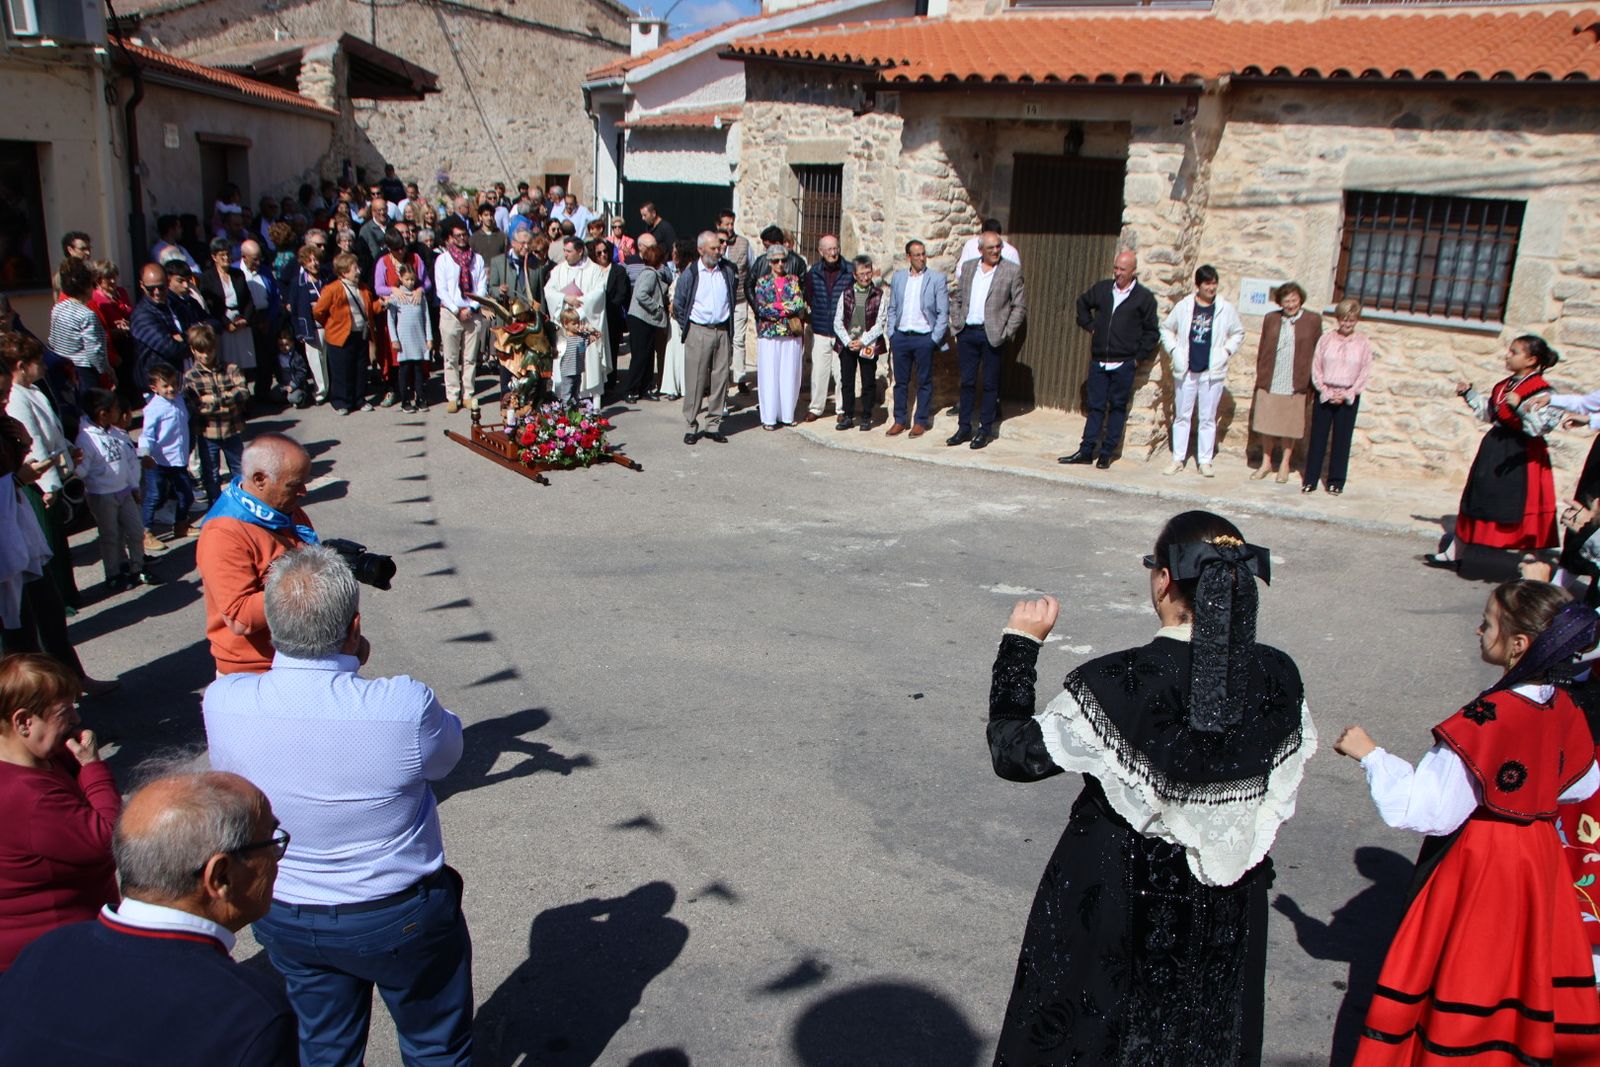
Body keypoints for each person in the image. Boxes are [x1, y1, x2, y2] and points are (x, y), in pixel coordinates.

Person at [985, 510, 1314, 1063]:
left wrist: (1020, 645)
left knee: (1098, 1039)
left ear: (1163, 580)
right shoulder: (1278, 673)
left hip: (1116, 896)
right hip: (1227, 903)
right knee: (1201, 1034)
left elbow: (1015, 755)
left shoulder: (1118, 680)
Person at [204, 545, 472, 1067]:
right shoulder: (402, 704)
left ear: (273, 625)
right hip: (396, 911)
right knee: (435, 1044)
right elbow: (447, 755)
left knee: (324, 1048)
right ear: (354, 626)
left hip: (285, 907)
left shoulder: (224, 699)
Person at [1333, 581, 1600, 1065]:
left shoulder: (1487, 717)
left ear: (1518, 645)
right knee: (1524, 974)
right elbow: (1581, 784)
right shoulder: (1564, 705)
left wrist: (1369, 754)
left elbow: (1426, 810)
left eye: (1489, 621)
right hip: (1538, 861)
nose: (1479, 629)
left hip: (1484, 862)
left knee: (1470, 969)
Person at [0, 769, 297, 1064]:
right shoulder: (250, 1016)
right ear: (220, 876)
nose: (275, 857)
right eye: (270, 842)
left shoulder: (46, 950)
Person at [0, 349, 114, 693]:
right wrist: (18, 477)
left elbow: (24, 442)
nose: (5, 400)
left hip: (17, 529)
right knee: (18, 632)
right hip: (7, 541)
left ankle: (68, 682)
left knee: (47, 610)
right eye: (0, 394)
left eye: (5, 393)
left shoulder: (6, 419)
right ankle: (37, 705)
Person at [0, 652, 118, 973]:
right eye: (65, 711)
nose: (76, 721)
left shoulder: (41, 760)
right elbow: (109, 837)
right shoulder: (27, 797)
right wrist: (92, 767)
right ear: (24, 721)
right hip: (56, 953)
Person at [1426, 335, 1562, 569]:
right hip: (1496, 448)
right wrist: (1470, 395)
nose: (1507, 356)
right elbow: (1491, 413)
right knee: (1478, 497)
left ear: (1531, 359)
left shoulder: (1543, 391)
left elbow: (1541, 426)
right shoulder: (1505, 385)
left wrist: (1519, 407)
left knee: (1522, 507)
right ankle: (1455, 552)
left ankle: (1531, 566)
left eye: (1514, 352)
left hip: (1523, 454)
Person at [195, 433, 314, 675]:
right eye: (294, 484)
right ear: (260, 479)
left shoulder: (285, 511)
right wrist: (312, 582)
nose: (303, 491)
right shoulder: (224, 533)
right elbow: (240, 617)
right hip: (257, 671)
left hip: (300, 657)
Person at [1060, 250, 1160, 468]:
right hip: (1099, 361)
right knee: (1095, 406)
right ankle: (1086, 450)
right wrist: (1090, 326)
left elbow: (1152, 332)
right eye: (1116, 268)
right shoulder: (1103, 289)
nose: (1117, 273)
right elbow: (1082, 303)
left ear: (1133, 271)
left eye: (1122, 270)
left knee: (1117, 407)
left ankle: (1107, 452)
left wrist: (1138, 358)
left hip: (1124, 362)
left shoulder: (1143, 298)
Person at [1160, 264, 1245, 478]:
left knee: (1207, 417)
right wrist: (1173, 350)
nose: (1212, 287)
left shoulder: (1225, 308)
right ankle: (1178, 458)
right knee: (1182, 415)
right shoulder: (1185, 306)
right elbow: (1167, 328)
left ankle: (1205, 460)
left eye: (1214, 283)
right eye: (1207, 283)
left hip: (1211, 371)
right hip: (1186, 369)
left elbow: (1238, 333)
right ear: (1198, 285)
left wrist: (1225, 351)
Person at [948, 231, 1025, 451]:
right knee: (967, 382)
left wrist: (1006, 332)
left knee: (991, 384)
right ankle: (964, 427)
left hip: (992, 334)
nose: (996, 251)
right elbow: (958, 298)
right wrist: (956, 325)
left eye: (998, 247)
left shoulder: (1011, 270)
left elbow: (1019, 306)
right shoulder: (970, 267)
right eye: (991, 248)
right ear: (981, 249)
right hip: (967, 333)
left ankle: (985, 430)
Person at [1298, 299, 1375, 497]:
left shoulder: (1363, 343)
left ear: (1356, 320)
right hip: (1326, 393)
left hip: (1348, 395)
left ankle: (1336, 481)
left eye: (1351, 321)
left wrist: (1348, 393)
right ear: (1338, 319)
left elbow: (1364, 371)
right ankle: (1310, 479)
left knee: (1342, 439)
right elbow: (1316, 367)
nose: (1346, 324)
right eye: (1343, 320)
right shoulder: (1326, 339)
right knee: (1318, 438)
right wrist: (1325, 390)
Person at [74, 390, 149, 590]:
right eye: (115, 409)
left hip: (124, 490)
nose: (119, 412)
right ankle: (113, 573)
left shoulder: (117, 433)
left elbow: (129, 460)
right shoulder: (86, 439)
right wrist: (74, 465)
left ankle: (137, 567)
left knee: (135, 530)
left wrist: (134, 485)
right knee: (110, 536)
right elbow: (81, 470)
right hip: (102, 495)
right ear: (102, 414)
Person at [1249, 282, 1321, 484]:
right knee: (1267, 422)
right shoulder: (1271, 318)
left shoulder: (1312, 320)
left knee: (1290, 425)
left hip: (1296, 379)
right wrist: (1261, 373)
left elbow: (1317, 350)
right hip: (1272, 376)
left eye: (1294, 300)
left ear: (1301, 299)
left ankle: (1285, 464)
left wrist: (1311, 381)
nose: (1290, 304)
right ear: (1280, 302)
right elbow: (1263, 347)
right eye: (1286, 300)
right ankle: (1266, 462)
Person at [672, 231, 738, 446]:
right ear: (701, 250)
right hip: (698, 330)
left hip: (722, 330)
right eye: (713, 248)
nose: (718, 252)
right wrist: (689, 329)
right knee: (696, 380)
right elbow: (679, 305)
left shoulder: (727, 270)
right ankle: (691, 424)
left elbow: (732, 296)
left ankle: (713, 425)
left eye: (719, 248)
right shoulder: (690, 274)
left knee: (720, 379)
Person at [885, 239, 948, 438]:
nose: (921, 258)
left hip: (924, 338)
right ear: (908, 257)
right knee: (901, 382)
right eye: (917, 255)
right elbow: (893, 307)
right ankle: (899, 420)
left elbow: (943, 312)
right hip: (901, 337)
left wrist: (933, 339)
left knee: (924, 381)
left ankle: (920, 421)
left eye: (923, 254)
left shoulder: (936, 279)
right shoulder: (899, 278)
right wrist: (892, 334)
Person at [182, 324, 250, 505]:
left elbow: (243, 392)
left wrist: (212, 399)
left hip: (232, 429)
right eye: (200, 351)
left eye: (209, 350)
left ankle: (242, 503)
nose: (205, 355)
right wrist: (228, 399)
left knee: (239, 469)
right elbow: (196, 407)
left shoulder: (231, 368)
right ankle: (217, 505)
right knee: (211, 473)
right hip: (207, 433)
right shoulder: (190, 377)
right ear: (193, 350)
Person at [543, 236, 607, 411]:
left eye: (569, 251)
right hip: (565, 328)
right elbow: (549, 291)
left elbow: (598, 294)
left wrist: (577, 312)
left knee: (588, 366)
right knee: (565, 368)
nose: (565, 255)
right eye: (564, 250)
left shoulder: (594, 270)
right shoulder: (559, 270)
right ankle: (563, 404)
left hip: (585, 323)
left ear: (580, 251)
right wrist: (565, 298)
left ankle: (592, 406)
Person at [313, 252, 380, 416]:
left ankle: (359, 399)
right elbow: (318, 311)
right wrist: (330, 325)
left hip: (361, 334)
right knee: (341, 370)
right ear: (343, 272)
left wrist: (382, 304)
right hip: (339, 336)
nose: (358, 271)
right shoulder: (332, 289)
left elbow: (370, 309)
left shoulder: (363, 288)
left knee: (359, 368)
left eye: (357, 267)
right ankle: (341, 402)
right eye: (354, 268)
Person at [137, 362, 195, 542]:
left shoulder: (180, 400)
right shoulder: (154, 409)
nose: (171, 389)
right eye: (166, 386)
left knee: (186, 495)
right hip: (158, 461)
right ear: (155, 388)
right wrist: (145, 454)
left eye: (174, 384)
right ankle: (145, 531)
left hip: (177, 460)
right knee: (155, 495)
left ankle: (180, 524)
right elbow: (147, 433)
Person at [434, 220, 487, 414]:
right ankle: (452, 396)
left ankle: (468, 394)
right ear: (450, 238)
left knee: (470, 357)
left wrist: (472, 307)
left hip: (472, 312)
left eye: (464, 235)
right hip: (451, 313)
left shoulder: (477, 259)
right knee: (450, 357)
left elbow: (481, 287)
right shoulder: (443, 260)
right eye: (457, 236)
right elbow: (442, 290)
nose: (462, 239)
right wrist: (457, 309)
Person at [752, 244, 807, 430]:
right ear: (769, 262)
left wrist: (777, 306)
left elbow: (799, 303)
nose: (780, 264)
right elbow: (762, 308)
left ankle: (787, 414)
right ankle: (769, 417)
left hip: (791, 334)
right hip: (769, 334)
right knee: (770, 375)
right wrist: (784, 307)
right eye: (776, 261)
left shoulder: (793, 280)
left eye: (783, 260)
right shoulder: (762, 282)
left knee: (789, 374)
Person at [832, 254, 888, 432]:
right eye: (861, 274)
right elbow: (838, 321)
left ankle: (866, 415)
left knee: (868, 381)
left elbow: (880, 323)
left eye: (868, 273)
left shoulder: (879, 295)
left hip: (868, 344)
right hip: (848, 344)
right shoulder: (846, 293)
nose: (865, 277)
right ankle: (848, 415)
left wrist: (863, 341)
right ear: (855, 275)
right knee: (846, 380)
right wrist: (849, 341)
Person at [802, 235, 849, 424]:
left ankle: (842, 408)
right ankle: (816, 408)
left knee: (841, 373)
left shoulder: (849, 270)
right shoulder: (813, 272)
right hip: (821, 329)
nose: (833, 252)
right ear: (821, 251)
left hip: (841, 331)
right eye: (829, 249)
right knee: (819, 372)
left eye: (835, 248)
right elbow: (809, 297)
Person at [131, 262, 200, 388]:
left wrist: (182, 337)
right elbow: (170, 348)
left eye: (161, 287)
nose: (157, 292)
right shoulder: (141, 316)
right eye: (151, 289)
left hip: (184, 380)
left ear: (168, 283)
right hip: (158, 388)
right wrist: (188, 339)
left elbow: (199, 334)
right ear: (142, 285)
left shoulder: (176, 306)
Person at [48, 258, 109, 386]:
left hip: (64, 368)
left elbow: (53, 340)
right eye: (93, 284)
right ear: (86, 287)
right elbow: (94, 352)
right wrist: (106, 371)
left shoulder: (57, 308)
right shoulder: (87, 315)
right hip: (85, 372)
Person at [623, 233, 668, 402]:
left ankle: (645, 387)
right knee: (640, 356)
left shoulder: (650, 273)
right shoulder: (649, 274)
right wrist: (656, 307)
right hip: (640, 319)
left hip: (645, 320)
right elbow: (642, 295)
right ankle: (630, 388)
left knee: (648, 355)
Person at [237, 240, 284, 402]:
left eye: (259, 258)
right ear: (244, 257)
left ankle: (263, 392)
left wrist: (268, 319)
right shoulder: (237, 272)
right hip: (247, 320)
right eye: (254, 259)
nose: (258, 262)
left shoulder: (264, 271)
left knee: (266, 357)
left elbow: (275, 296)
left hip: (266, 317)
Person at [716, 211, 755, 393]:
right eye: (726, 224)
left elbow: (752, 269)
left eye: (732, 224)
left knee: (739, 339)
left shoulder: (744, 244)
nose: (730, 227)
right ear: (718, 225)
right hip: (720, 300)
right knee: (723, 339)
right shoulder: (714, 244)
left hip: (739, 299)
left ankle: (739, 377)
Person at [288, 244, 331, 405]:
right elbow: (294, 310)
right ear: (304, 263)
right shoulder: (297, 282)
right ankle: (321, 392)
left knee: (329, 360)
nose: (314, 263)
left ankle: (329, 389)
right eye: (310, 261)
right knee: (316, 361)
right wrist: (298, 332)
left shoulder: (326, 277)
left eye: (316, 260)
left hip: (328, 326)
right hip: (310, 328)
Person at [387, 264, 433, 414]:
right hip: (404, 340)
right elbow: (391, 319)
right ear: (400, 278)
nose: (410, 282)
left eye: (413, 279)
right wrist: (394, 339)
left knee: (419, 371)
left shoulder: (420, 295)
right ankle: (405, 400)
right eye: (407, 279)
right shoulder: (396, 297)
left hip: (418, 338)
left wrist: (429, 337)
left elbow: (426, 317)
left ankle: (420, 398)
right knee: (405, 371)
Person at [87, 260, 135, 401]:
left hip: (128, 339)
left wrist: (128, 323)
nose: (113, 281)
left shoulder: (121, 292)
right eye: (109, 278)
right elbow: (100, 324)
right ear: (99, 280)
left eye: (115, 276)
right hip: (113, 342)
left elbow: (131, 312)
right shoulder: (95, 298)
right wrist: (115, 329)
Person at [592, 238, 630, 399]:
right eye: (599, 253)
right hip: (595, 317)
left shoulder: (618, 270)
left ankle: (610, 384)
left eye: (605, 251)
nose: (603, 255)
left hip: (612, 316)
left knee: (612, 349)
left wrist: (609, 306)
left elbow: (622, 293)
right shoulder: (592, 271)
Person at [658, 239, 694, 402]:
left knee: (682, 353)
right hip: (673, 319)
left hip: (682, 318)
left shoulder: (689, 273)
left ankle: (684, 386)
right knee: (673, 352)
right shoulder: (679, 272)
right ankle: (673, 386)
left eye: (675, 251)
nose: (673, 254)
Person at [956, 218, 1021, 270]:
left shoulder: (1011, 252)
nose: (995, 250)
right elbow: (960, 270)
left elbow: (1016, 276)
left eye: (998, 247)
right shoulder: (970, 245)